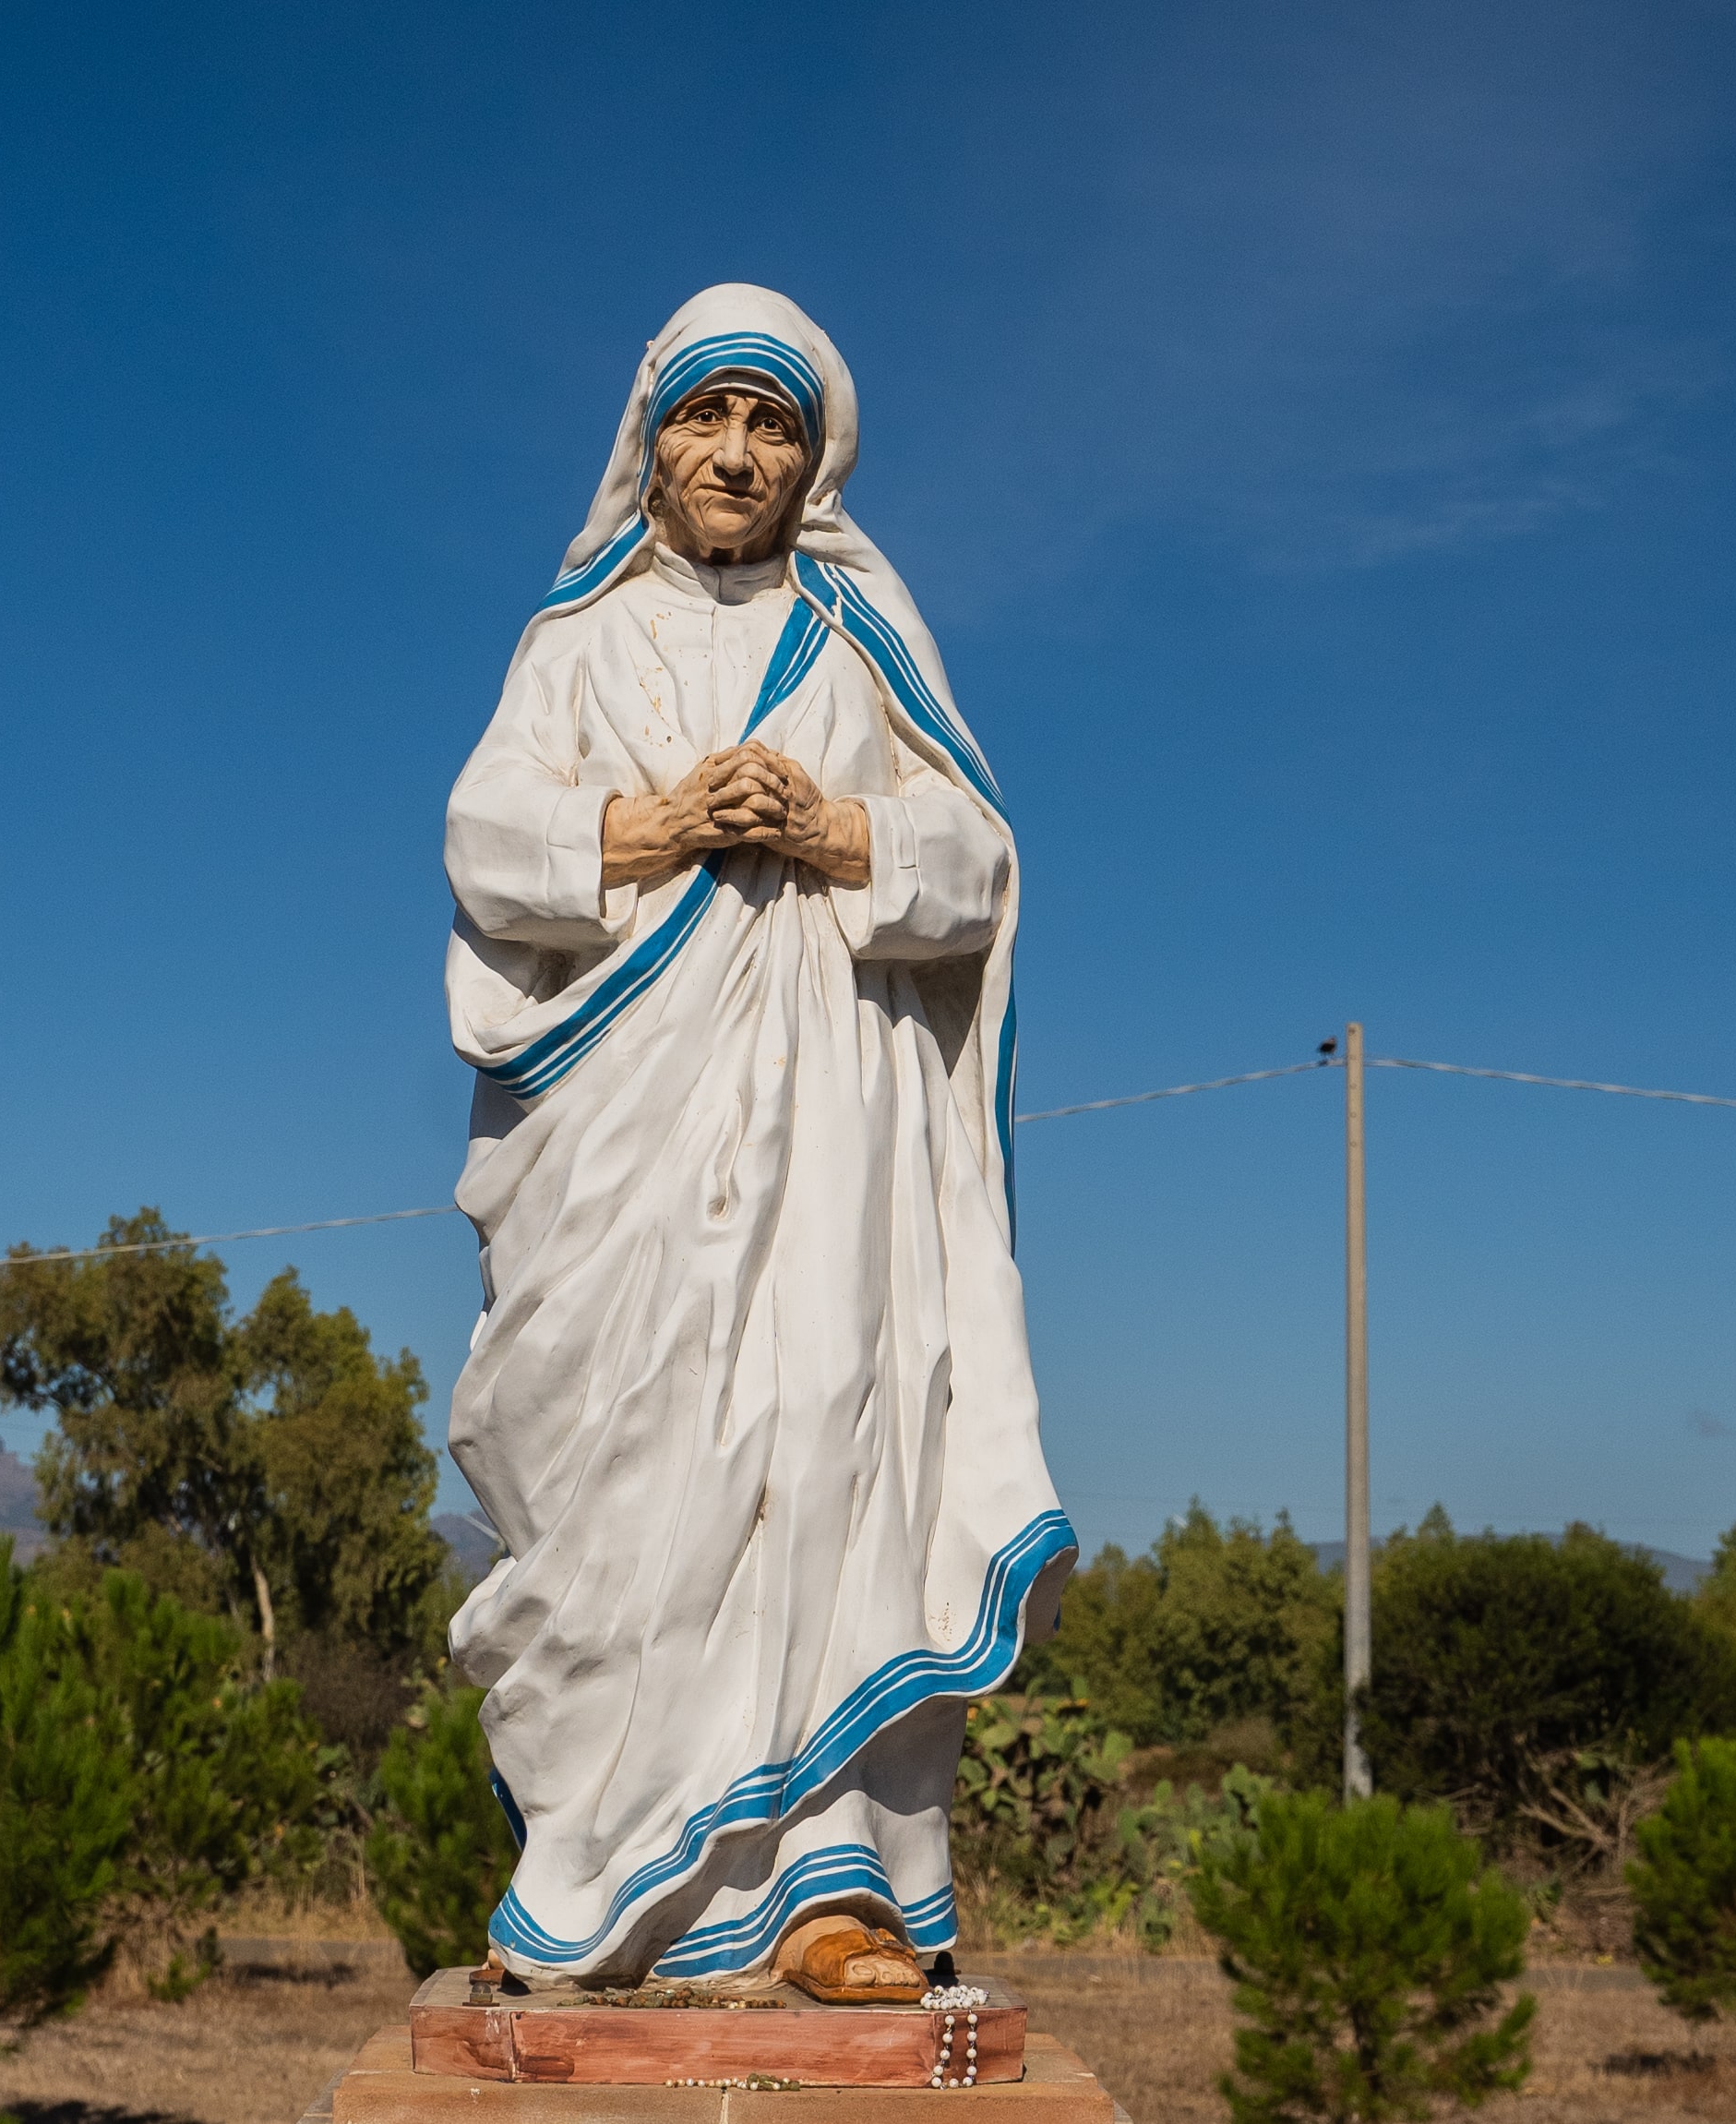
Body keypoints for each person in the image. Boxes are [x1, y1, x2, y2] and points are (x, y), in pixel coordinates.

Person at [440, 283, 1073, 1992]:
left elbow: (982, 866)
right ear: (649, 444)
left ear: (818, 458)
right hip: (624, 1135)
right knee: (627, 1460)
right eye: (706, 416)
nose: (736, 451)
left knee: (822, 1435)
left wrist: (841, 825)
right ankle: (593, 1885)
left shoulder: (864, 642)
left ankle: (826, 1889)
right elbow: (489, 842)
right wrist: (650, 825)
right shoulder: (574, 641)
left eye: (772, 423)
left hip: (829, 1134)